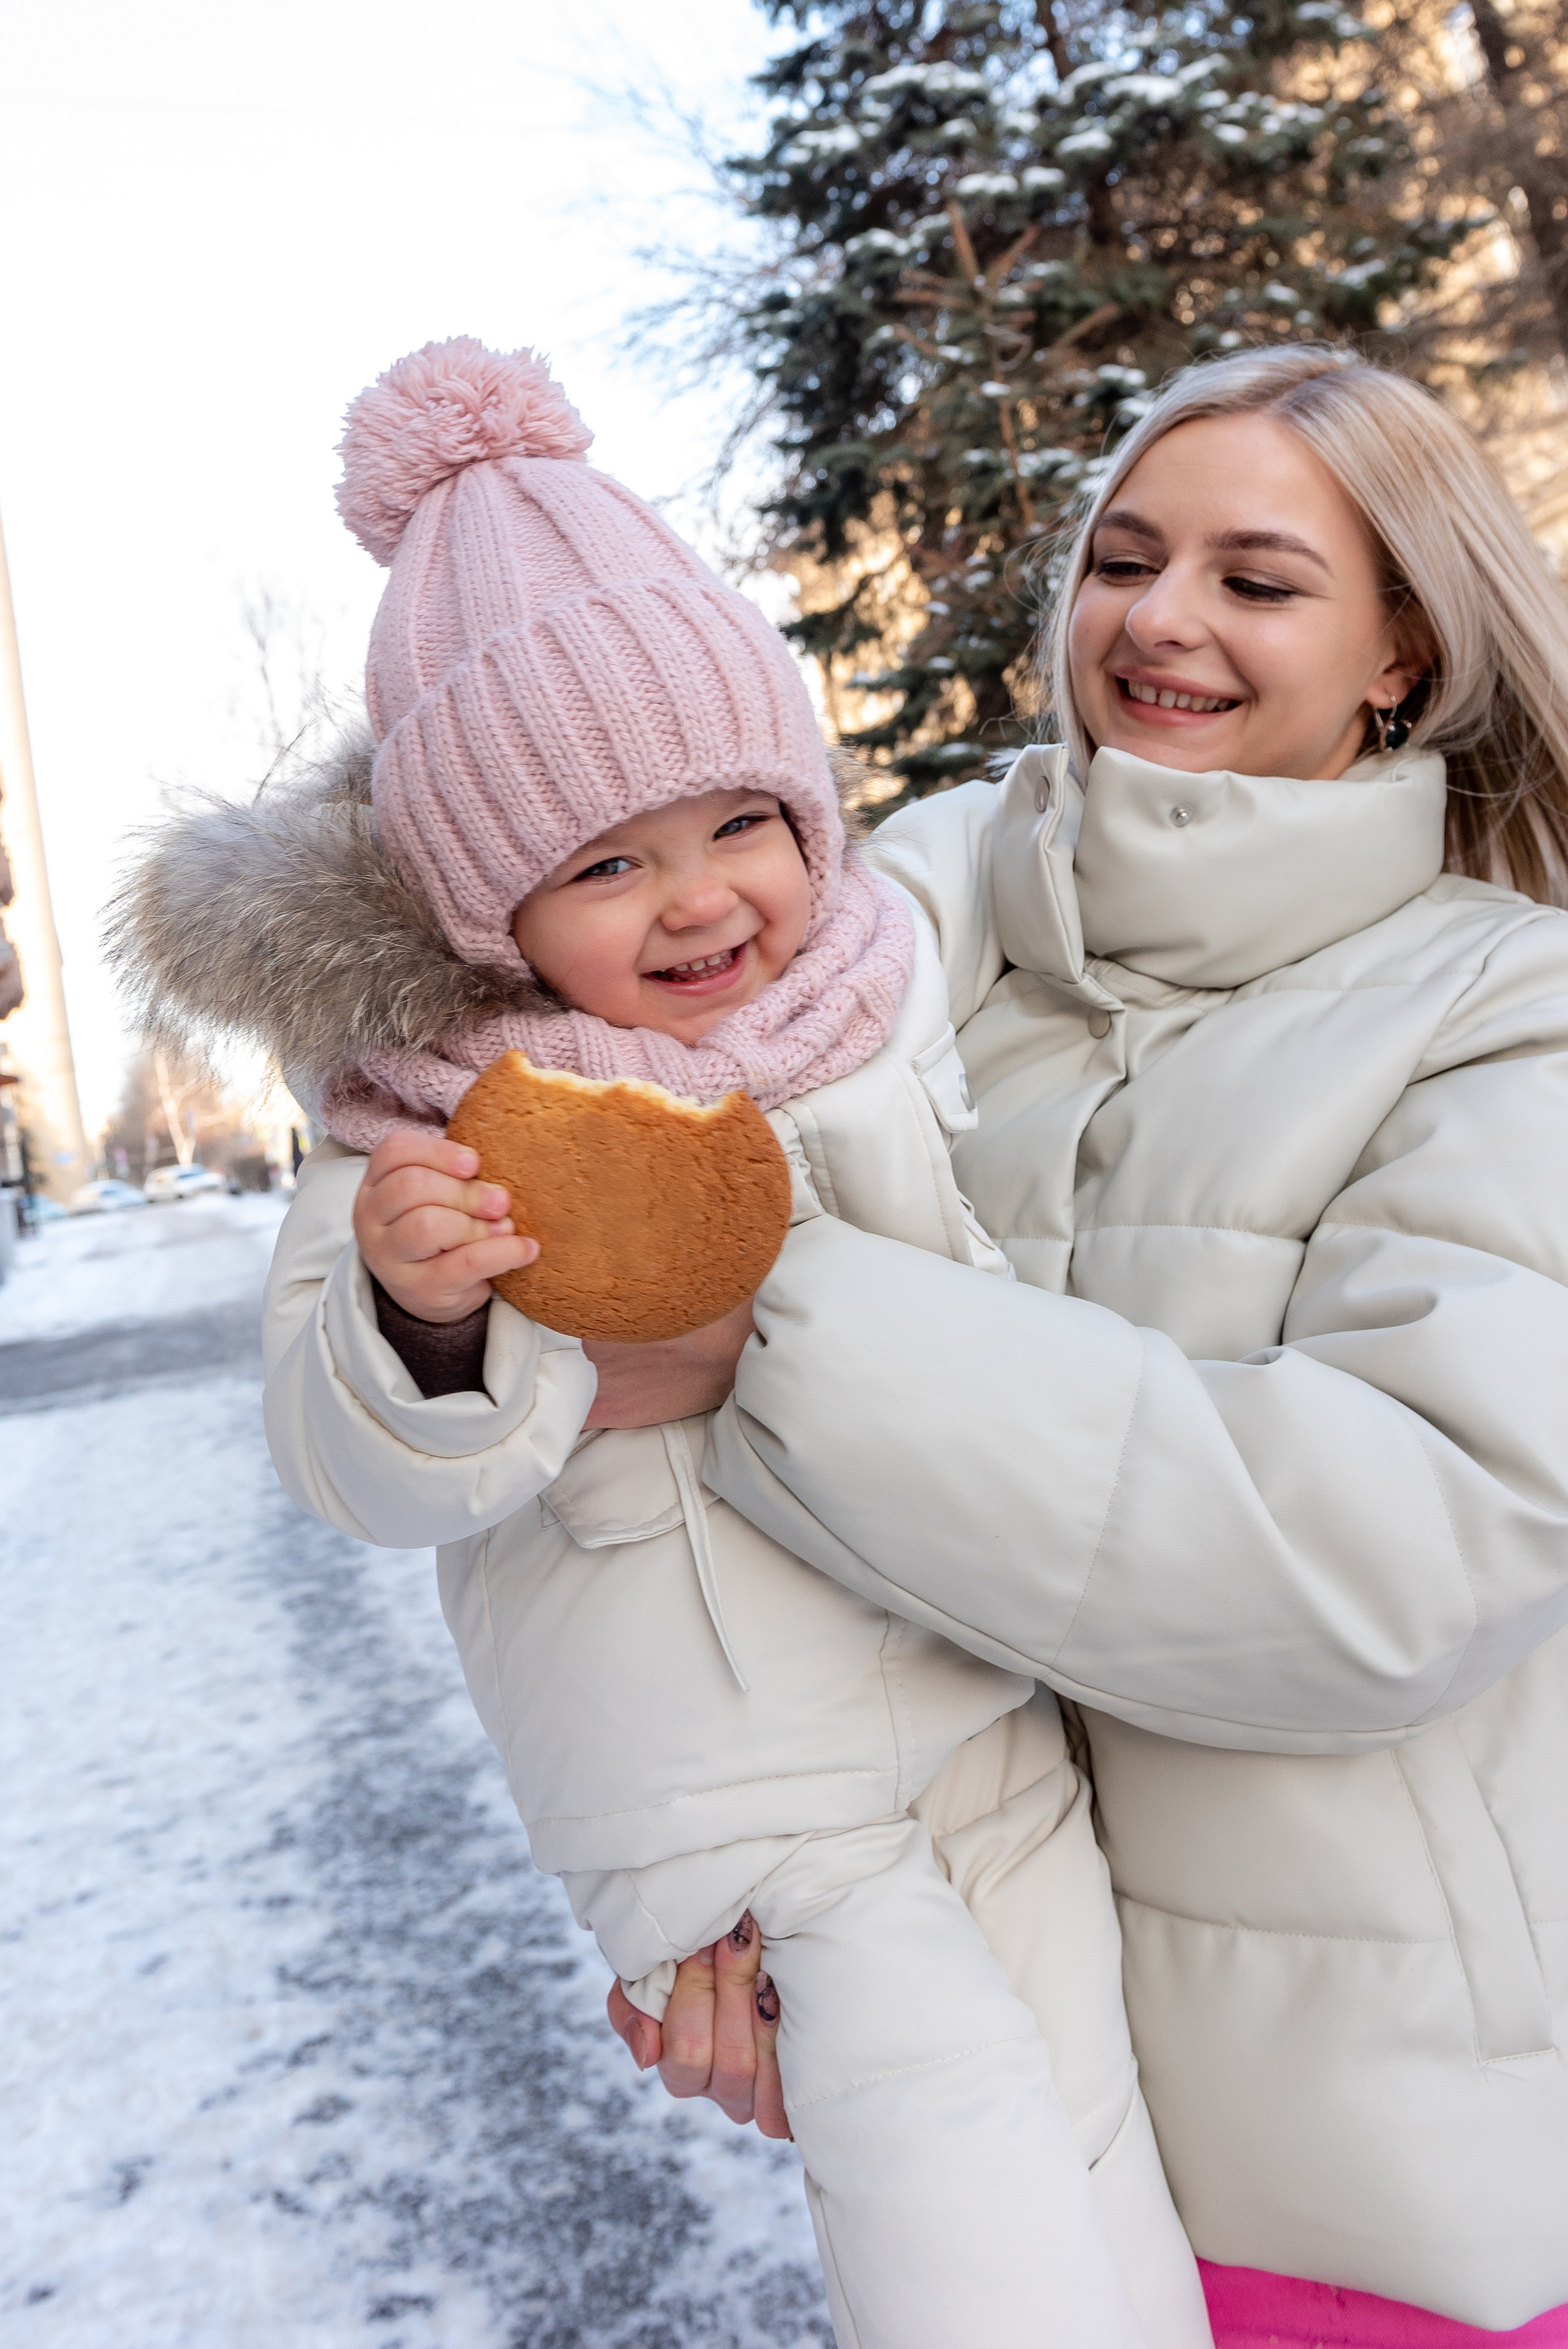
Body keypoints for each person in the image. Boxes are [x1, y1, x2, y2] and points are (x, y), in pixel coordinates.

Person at [109, 338, 1212, 2349]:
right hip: (729, 1781)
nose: (700, 900)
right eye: (606, 864)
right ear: (487, 911)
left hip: (980, 1688)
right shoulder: (428, 1114)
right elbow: (345, 1463)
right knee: (951, 2163)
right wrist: (423, 1314)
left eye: (740, 822)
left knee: (1088, 2119)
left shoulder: (880, 997)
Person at [627, 345, 1568, 2347]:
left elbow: (1392, 1552)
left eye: (1258, 576)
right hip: (1006, 2104)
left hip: (1361, 2169)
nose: (1160, 617)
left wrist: (763, 1325)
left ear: (1404, 645)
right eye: (1123, 557)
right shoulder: (899, 954)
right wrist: (733, 1879)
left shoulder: (1515, 1012)